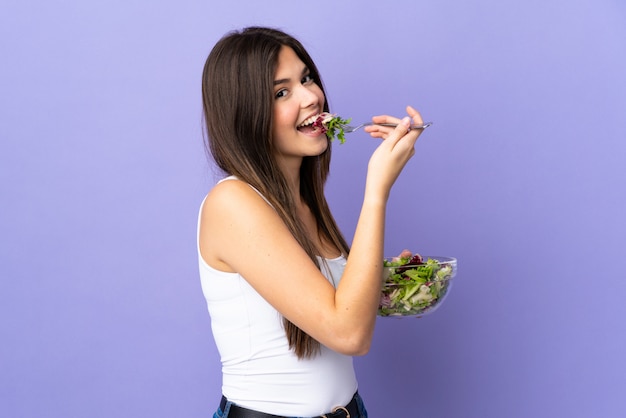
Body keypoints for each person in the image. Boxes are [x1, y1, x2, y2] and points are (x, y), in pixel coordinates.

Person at [198, 26, 426, 418]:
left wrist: (390, 284)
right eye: (281, 92)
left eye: (306, 78)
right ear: (246, 113)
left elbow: (328, 308)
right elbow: (348, 333)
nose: (310, 96)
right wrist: (377, 191)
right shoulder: (232, 203)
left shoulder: (302, 201)